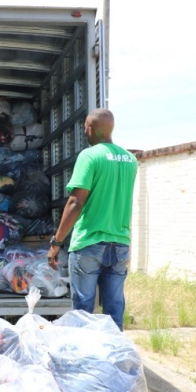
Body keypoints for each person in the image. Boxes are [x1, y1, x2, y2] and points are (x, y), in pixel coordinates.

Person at [47, 108, 137, 330]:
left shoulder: (89, 156)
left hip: (89, 244)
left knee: (84, 309)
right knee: (114, 306)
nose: (84, 132)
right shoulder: (130, 159)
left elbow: (75, 203)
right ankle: (113, 357)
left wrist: (57, 242)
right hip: (120, 245)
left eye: (86, 127)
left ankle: (84, 359)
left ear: (92, 129)